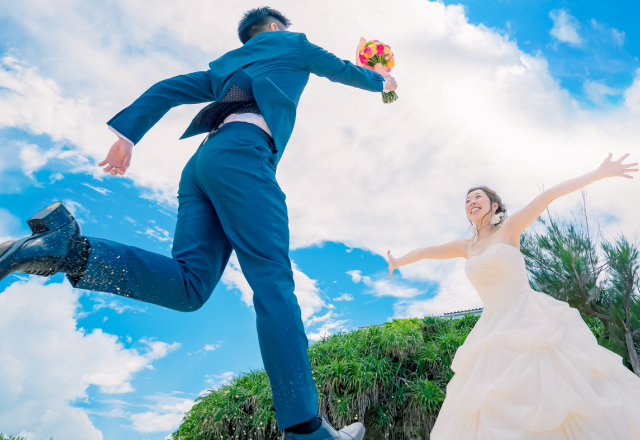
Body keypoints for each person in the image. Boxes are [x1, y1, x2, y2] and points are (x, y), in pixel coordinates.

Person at [0, 7, 397, 440]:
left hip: (202, 166)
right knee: (273, 285)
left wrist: (127, 137)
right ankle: (306, 430)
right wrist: (382, 80)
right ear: (274, 28)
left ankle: (70, 252)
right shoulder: (292, 43)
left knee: (189, 288)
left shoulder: (224, 68)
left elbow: (168, 88)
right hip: (244, 157)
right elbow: (343, 71)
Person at [387, 154, 640, 439]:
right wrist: (398, 261)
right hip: (493, 326)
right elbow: (425, 252)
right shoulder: (466, 246)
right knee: (493, 397)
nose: (471, 202)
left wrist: (599, 172)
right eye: (467, 200)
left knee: (550, 385)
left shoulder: (509, 229)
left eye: (478, 197)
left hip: (528, 315)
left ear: (494, 205)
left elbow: (549, 195)